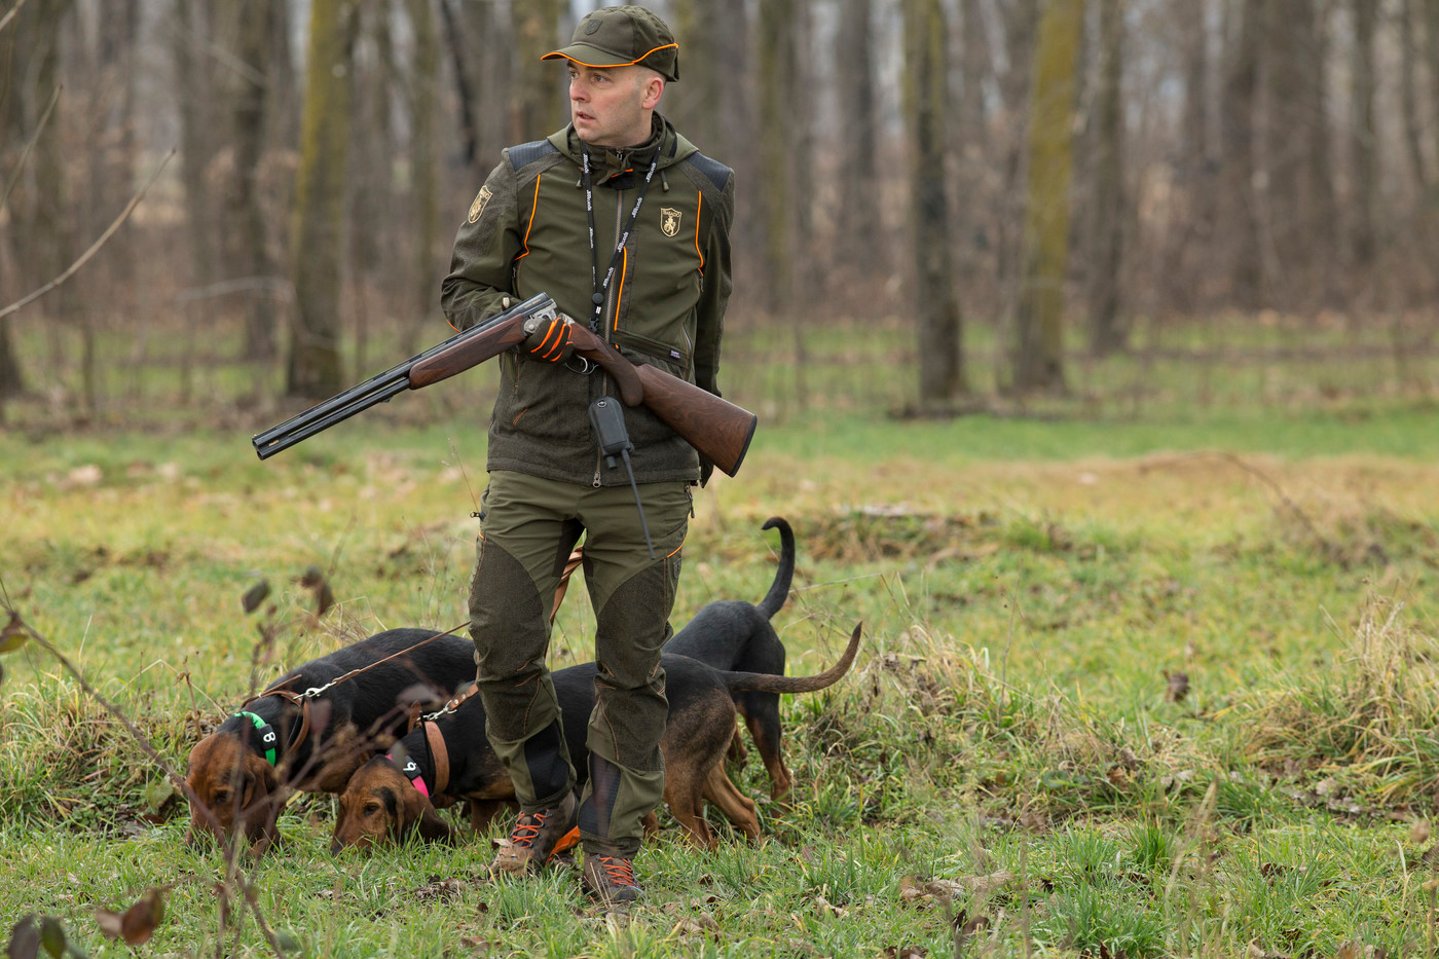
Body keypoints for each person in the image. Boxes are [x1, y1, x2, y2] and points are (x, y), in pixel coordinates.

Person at [438, 4, 734, 906]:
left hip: (646, 463)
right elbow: (461, 288)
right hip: (534, 450)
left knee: (632, 665)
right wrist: (517, 326)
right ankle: (541, 799)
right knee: (498, 642)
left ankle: (608, 838)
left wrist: (697, 438)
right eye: (574, 74)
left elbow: (707, 323)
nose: (580, 89)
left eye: (602, 77)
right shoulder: (523, 174)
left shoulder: (704, 187)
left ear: (652, 86)